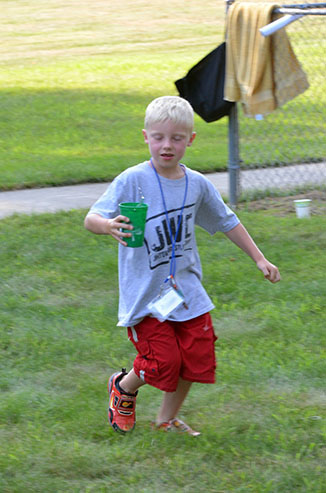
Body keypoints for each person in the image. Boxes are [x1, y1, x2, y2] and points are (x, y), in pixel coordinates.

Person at [84, 95, 280, 436]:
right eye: (158, 137)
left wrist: (259, 257)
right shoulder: (133, 180)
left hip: (185, 288)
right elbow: (91, 218)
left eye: (176, 138)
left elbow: (226, 220)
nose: (166, 146)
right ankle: (124, 387)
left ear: (190, 139)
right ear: (145, 136)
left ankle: (166, 420)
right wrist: (108, 225)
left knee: (196, 359)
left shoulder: (196, 184)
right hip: (146, 293)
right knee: (163, 361)